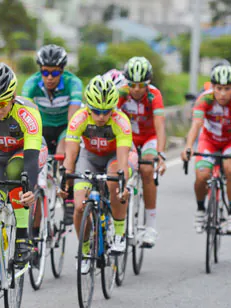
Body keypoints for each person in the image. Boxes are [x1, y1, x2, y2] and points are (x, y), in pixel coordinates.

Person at [0, 63, 48, 279]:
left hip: (25, 151)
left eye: (2, 104)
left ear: (13, 97)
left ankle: (23, 235)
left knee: (16, 172)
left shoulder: (28, 113)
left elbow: (31, 159)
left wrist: (30, 187)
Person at [63, 75, 132, 272]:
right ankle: (84, 250)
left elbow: (123, 161)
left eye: (106, 112)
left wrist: (123, 185)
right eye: (96, 111)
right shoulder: (79, 118)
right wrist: (66, 181)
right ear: (88, 107)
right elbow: (71, 155)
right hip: (90, 158)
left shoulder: (121, 121)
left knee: (114, 183)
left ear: (114, 108)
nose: (101, 116)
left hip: (113, 158)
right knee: (78, 206)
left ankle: (119, 232)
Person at [181, 64, 231, 235]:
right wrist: (189, 147)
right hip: (209, 141)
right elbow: (196, 124)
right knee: (202, 175)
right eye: (218, 88)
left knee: (230, 169)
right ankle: (200, 209)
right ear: (212, 86)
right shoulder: (204, 99)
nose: (222, 93)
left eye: (227, 89)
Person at [21, 44, 83, 238]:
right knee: (38, 175)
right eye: (45, 72)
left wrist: (68, 144)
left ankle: (68, 198)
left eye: (54, 72)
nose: (49, 77)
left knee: (67, 153)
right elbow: (25, 115)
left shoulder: (73, 84)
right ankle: (37, 227)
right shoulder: (31, 84)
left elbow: (74, 121)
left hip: (64, 127)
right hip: (42, 128)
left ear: (62, 71)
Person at [117, 56, 167, 248]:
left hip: (149, 138)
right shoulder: (121, 92)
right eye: (132, 85)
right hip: (127, 137)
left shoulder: (155, 96)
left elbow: (160, 127)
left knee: (147, 170)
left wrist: (160, 154)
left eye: (141, 85)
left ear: (148, 83)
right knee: (121, 169)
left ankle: (150, 227)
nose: (136, 89)